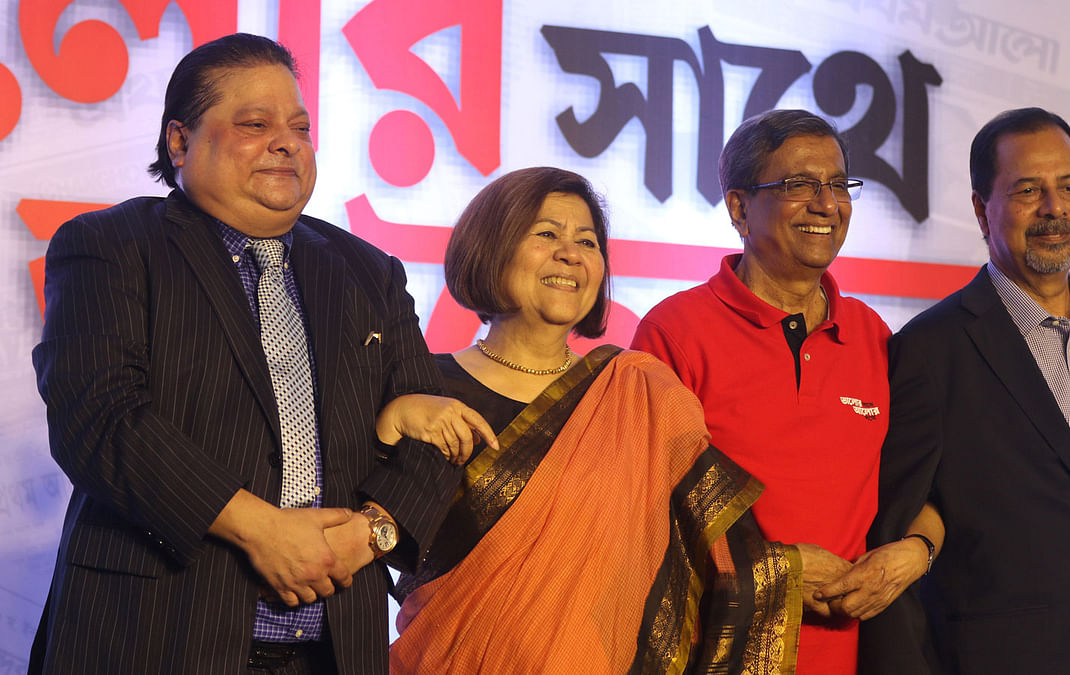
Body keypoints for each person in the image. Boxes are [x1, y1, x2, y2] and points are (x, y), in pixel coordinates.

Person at [30, 33, 492, 673]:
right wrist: (262, 530)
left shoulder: (365, 271)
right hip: (154, 636)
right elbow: (101, 420)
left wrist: (369, 535)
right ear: (179, 141)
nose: (287, 141)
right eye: (255, 123)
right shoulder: (111, 246)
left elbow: (435, 434)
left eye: (299, 128)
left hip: (331, 648)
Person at [388, 166, 804, 674]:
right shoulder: (418, 386)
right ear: (490, 248)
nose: (571, 254)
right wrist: (390, 421)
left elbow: (721, 549)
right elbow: (363, 534)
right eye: (546, 234)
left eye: (587, 241)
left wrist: (793, 571)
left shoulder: (638, 394)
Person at [864, 107, 1070, 674]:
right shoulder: (928, 350)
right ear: (980, 209)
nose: (1054, 208)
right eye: (1027, 190)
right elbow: (897, 552)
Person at [631, 109, 941, 673]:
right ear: (739, 207)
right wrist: (779, 570)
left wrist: (914, 554)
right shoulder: (675, 331)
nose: (827, 203)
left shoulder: (872, 335)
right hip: (719, 653)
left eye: (838, 184)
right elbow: (644, 514)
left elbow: (919, 484)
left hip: (858, 654)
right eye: (800, 185)